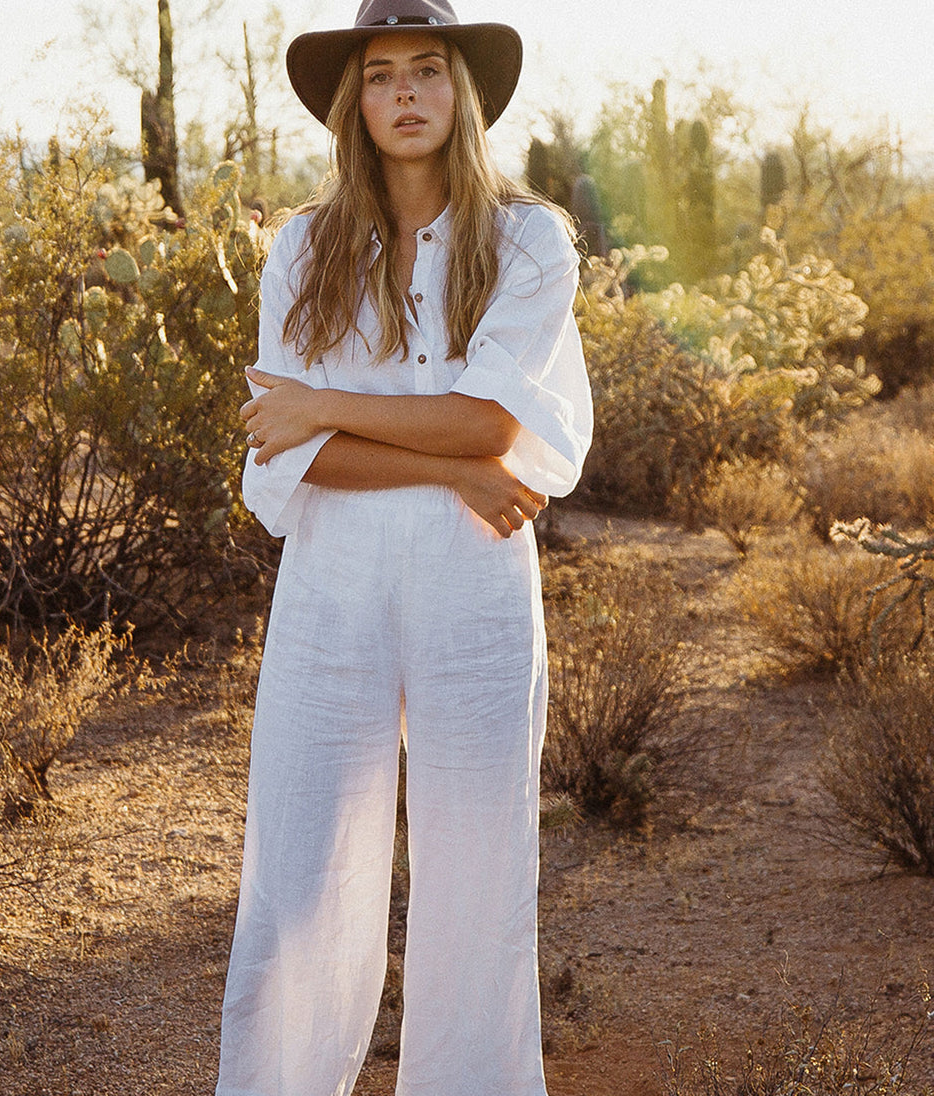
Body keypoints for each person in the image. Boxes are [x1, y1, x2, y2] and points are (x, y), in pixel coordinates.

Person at [215, 2, 592, 1093]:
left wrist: (338, 410)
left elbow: (490, 425)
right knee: (299, 871)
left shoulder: (528, 238)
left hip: (474, 578)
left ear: (462, 93)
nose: (407, 93)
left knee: (477, 873)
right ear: (355, 102)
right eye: (381, 76)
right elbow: (291, 462)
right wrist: (449, 463)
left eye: (429, 70)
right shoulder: (303, 246)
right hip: (334, 577)